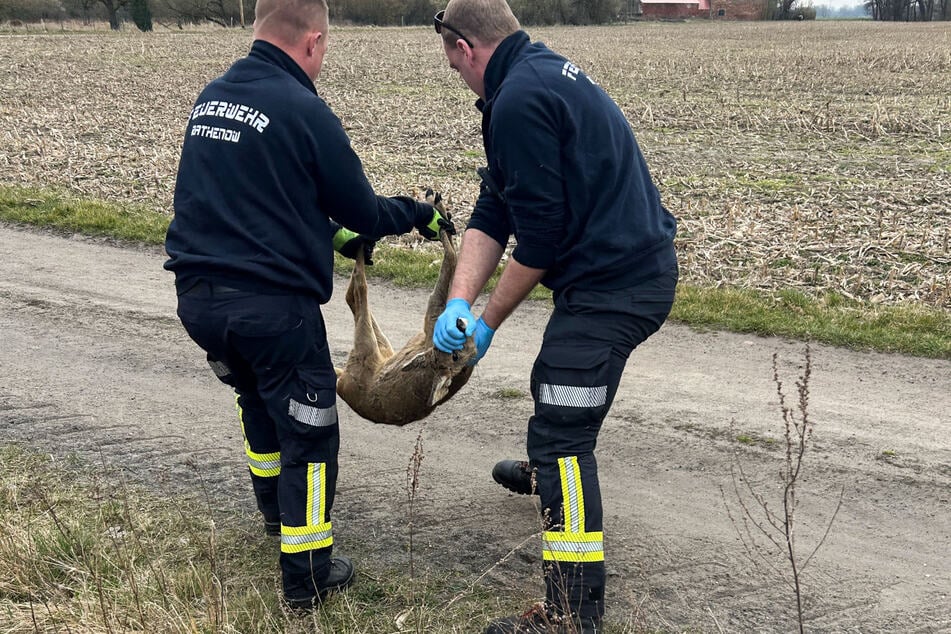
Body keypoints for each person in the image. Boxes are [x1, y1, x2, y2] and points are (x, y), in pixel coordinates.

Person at [164, 0, 453, 610]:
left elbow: (253, 201)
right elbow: (366, 211)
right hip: (271, 311)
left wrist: (329, 236)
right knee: (311, 434)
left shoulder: (212, 98)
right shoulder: (302, 108)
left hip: (200, 305)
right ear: (314, 42)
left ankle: (274, 520)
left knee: (259, 405)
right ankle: (308, 577)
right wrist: (419, 214)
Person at [431, 1, 679, 632]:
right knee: (556, 381)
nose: (457, 78)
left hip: (620, 284)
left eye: (452, 65)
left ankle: (571, 617)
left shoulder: (518, 99)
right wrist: (459, 298)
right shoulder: (527, 80)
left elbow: (539, 241)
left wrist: (485, 324)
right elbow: (496, 207)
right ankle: (547, 473)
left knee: (565, 433)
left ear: (463, 47)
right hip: (607, 276)